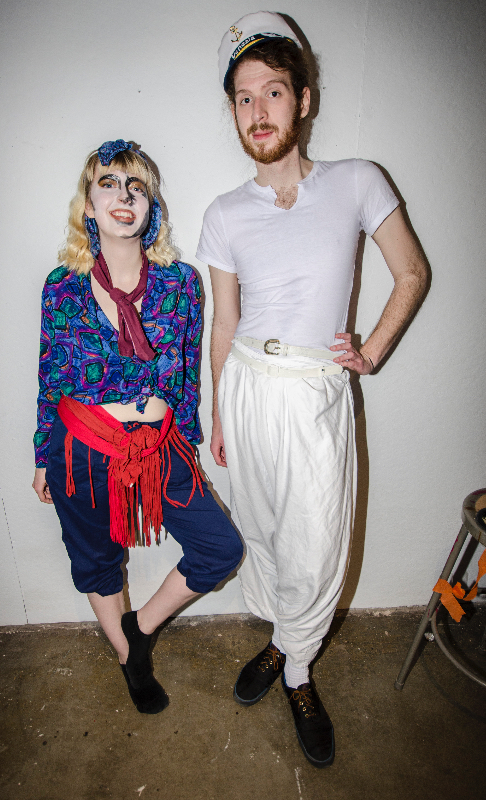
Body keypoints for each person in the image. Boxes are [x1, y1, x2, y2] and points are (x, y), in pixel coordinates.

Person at [196, 12, 428, 767]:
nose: (257, 110)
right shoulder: (224, 213)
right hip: (246, 387)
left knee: (316, 539)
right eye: (242, 98)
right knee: (263, 530)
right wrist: (217, 411)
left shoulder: (358, 181)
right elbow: (224, 324)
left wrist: (372, 350)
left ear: (302, 99)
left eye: (272, 91)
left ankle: (297, 670)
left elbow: (411, 272)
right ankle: (280, 640)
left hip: (313, 390)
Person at [33, 139, 242, 715]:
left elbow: (187, 379)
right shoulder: (61, 286)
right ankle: (130, 658)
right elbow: (51, 375)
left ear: (152, 208)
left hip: (157, 447)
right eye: (109, 184)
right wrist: (41, 455)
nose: (124, 196)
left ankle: (141, 628)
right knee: (97, 559)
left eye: (138, 188)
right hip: (82, 448)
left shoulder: (181, 283)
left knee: (220, 548)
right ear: (89, 205)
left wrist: (188, 449)